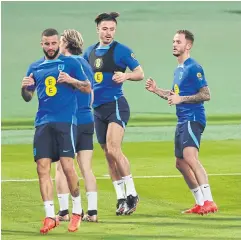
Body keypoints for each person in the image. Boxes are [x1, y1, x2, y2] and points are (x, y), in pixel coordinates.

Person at [21, 28, 91, 234]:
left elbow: (87, 87)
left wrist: (71, 80)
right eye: (46, 44)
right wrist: (24, 88)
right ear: (41, 44)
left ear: (58, 44)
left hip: (66, 121)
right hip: (43, 122)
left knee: (68, 166)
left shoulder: (72, 63)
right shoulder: (34, 67)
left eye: (53, 43)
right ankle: (49, 216)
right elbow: (27, 96)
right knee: (42, 168)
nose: (50, 47)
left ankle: (77, 210)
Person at [145, 30, 218, 215]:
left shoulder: (194, 67)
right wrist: (156, 90)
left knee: (191, 158)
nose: (174, 44)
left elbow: (206, 95)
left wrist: (181, 99)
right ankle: (200, 203)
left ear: (188, 45)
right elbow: (174, 96)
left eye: (178, 41)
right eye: (173, 41)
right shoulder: (178, 69)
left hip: (193, 118)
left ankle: (209, 200)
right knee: (180, 163)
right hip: (182, 120)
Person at [83, 12, 144, 215]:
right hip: (97, 110)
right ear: (98, 29)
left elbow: (140, 73)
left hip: (116, 105)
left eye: (112, 29)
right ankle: (120, 198)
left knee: (113, 148)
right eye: (105, 29)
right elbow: (82, 77)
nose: (108, 33)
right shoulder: (89, 52)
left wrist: (126, 75)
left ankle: (132, 194)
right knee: (108, 155)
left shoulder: (122, 50)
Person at [55, 29, 98, 222]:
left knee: (62, 167)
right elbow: (91, 93)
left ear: (66, 43)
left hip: (70, 120)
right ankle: (93, 211)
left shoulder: (66, 64)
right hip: (88, 118)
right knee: (86, 167)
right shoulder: (86, 65)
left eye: (61, 40)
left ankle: (64, 211)